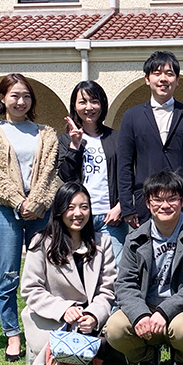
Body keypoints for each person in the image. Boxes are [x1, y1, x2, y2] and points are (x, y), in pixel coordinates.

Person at [0, 74, 59, 362]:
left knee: (45, 272)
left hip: (40, 211)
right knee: (8, 275)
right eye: (14, 95)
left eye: (26, 96)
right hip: (5, 212)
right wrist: (19, 202)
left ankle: (43, 327)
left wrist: (37, 202)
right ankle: (12, 334)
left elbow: (50, 173)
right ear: (2, 98)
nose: (21, 101)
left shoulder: (46, 134)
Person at [104, 171, 183, 365]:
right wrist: (140, 314)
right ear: (147, 203)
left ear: (182, 201)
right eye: (158, 199)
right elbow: (125, 284)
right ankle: (147, 358)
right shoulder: (135, 238)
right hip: (147, 307)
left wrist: (165, 310)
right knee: (114, 329)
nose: (165, 205)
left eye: (172, 199)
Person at [20, 182, 117, 365]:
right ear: (59, 211)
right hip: (52, 319)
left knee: (116, 338)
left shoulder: (103, 242)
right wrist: (64, 309)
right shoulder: (40, 243)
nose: (78, 213)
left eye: (84, 207)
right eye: (70, 208)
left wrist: (93, 315)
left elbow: (107, 289)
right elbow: (31, 289)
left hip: (89, 322)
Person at [117, 51, 183, 229]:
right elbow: (124, 165)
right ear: (147, 79)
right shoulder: (131, 116)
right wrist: (127, 206)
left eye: (169, 74)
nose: (163, 79)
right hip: (146, 204)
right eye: (157, 73)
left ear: (177, 80)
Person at [58, 80, 127, 262]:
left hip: (111, 217)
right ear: (74, 106)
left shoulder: (116, 138)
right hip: (78, 217)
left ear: (102, 104)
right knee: (79, 268)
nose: (89, 107)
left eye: (94, 101)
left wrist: (121, 206)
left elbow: (128, 176)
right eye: (83, 102)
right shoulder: (65, 140)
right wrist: (74, 146)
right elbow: (66, 176)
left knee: (116, 269)